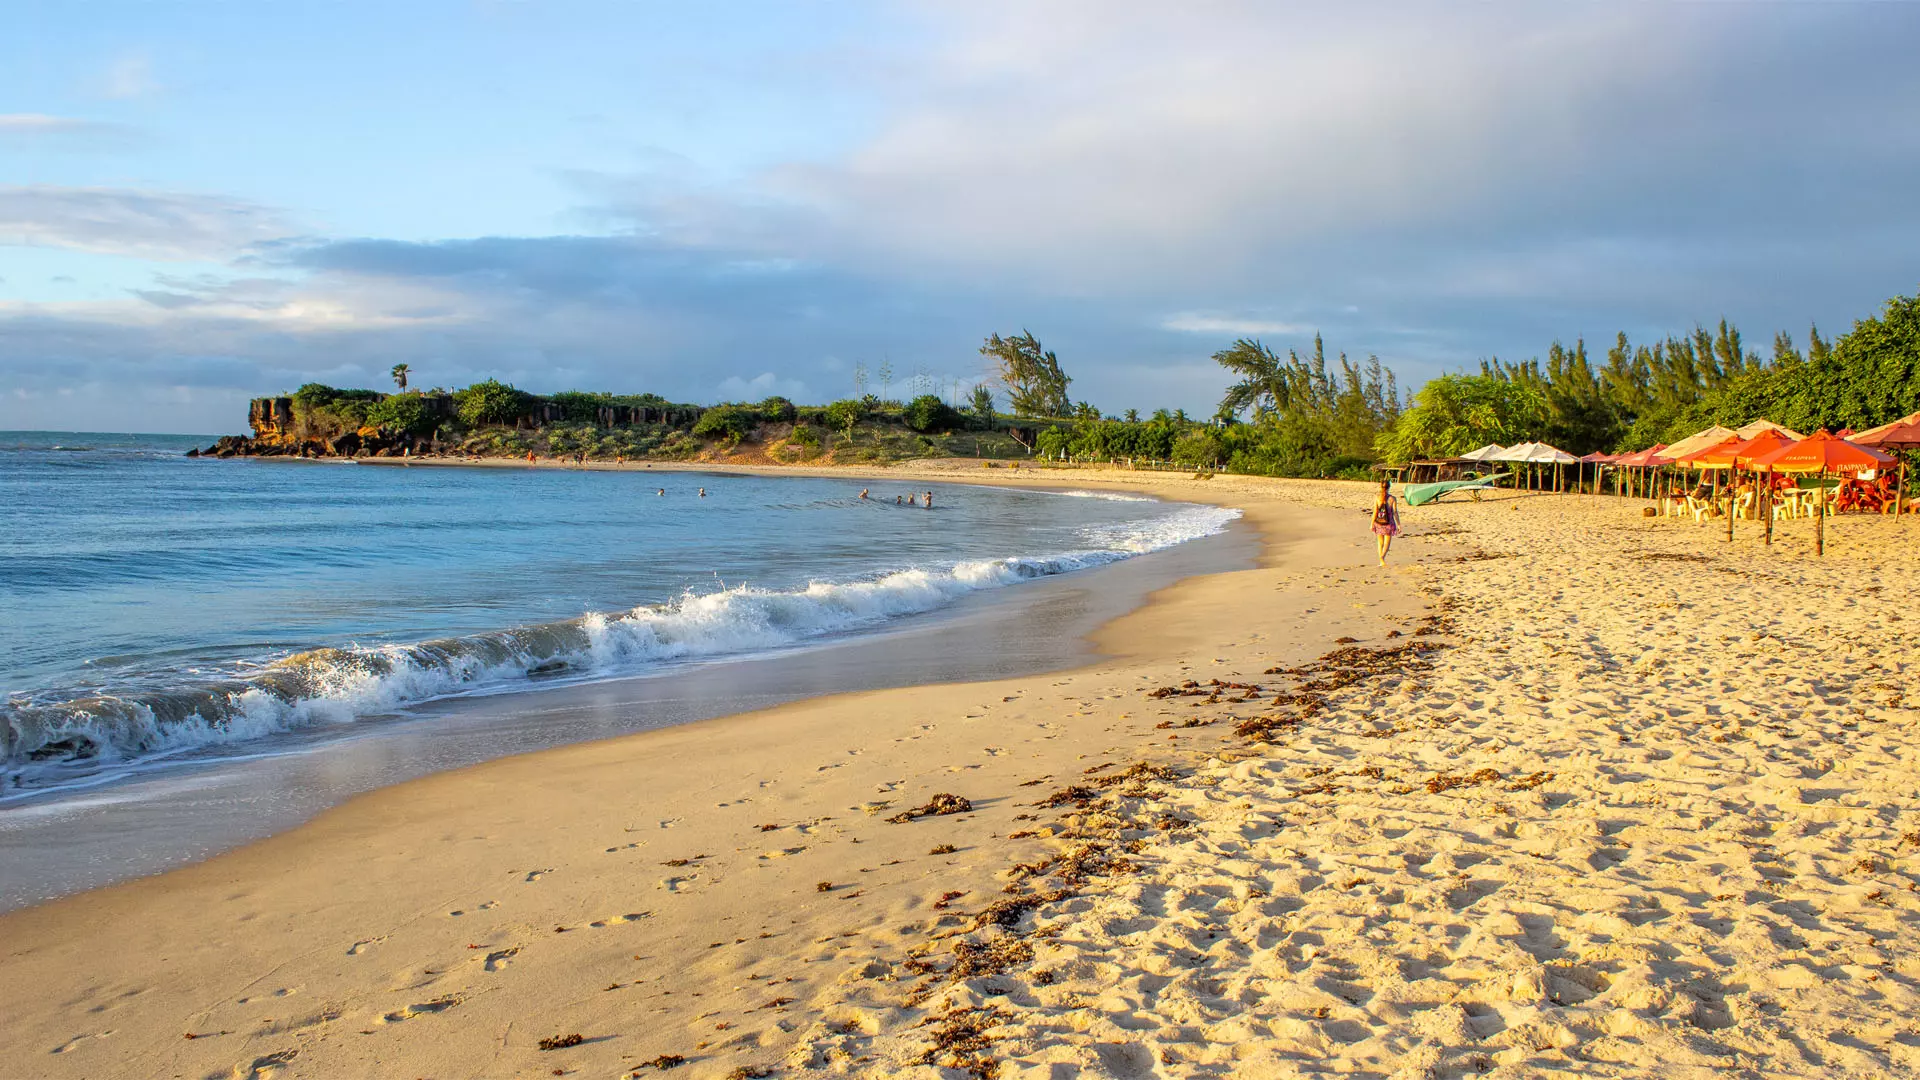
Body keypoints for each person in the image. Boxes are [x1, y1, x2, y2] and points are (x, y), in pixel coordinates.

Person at [1371, 479, 1400, 566]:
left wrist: (1372, 523)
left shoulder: (1377, 497)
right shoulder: (1392, 499)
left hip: (1379, 522)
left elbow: (1375, 512)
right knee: (1387, 543)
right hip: (1389, 523)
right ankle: (1382, 558)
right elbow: (1395, 512)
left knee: (1380, 543)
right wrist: (1399, 524)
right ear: (1389, 487)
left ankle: (1381, 561)